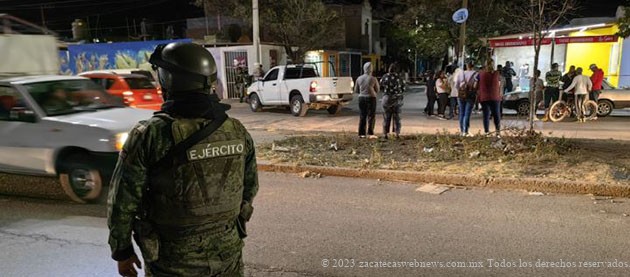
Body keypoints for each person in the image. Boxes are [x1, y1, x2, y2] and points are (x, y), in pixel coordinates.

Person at [107, 42, 258, 277]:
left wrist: (122, 251)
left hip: (172, 261)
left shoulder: (150, 134)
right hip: (227, 255)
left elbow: (122, 201)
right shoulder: (236, 130)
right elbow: (249, 188)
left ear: (168, 81)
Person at [380, 63, 405, 139]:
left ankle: (385, 134)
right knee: (397, 117)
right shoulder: (399, 78)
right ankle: (397, 133)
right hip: (397, 99)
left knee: (386, 117)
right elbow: (403, 88)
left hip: (386, 98)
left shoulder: (384, 77)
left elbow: (381, 86)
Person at [355, 62, 379, 139]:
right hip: (371, 98)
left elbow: (356, 90)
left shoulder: (359, 78)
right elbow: (377, 89)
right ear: (371, 69)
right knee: (371, 116)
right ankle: (370, 132)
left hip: (361, 98)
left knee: (362, 115)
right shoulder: (373, 79)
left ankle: (361, 133)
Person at [477, 59, 502, 136]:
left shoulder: (480, 74)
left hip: (484, 97)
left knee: (486, 115)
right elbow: (500, 84)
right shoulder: (497, 74)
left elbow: (476, 84)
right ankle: (498, 132)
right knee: (496, 115)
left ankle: (486, 131)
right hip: (495, 96)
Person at [457, 62, 478, 137]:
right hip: (470, 95)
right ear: (473, 66)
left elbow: (457, 84)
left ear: (466, 66)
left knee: (461, 113)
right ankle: (466, 131)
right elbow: (476, 85)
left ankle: (462, 131)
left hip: (461, 95)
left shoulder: (461, 73)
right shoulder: (476, 74)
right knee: (467, 113)